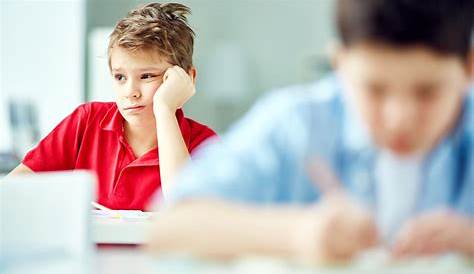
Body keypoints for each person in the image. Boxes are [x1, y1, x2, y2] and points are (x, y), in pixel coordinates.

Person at [146, 0, 474, 263]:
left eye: (427, 92)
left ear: (468, 68)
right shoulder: (297, 124)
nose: (398, 119)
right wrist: (299, 233)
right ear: (340, 64)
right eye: (376, 90)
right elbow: (170, 226)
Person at [7, 3, 217, 210]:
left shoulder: (205, 144)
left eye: (147, 76)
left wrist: (164, 110)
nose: (130, 91)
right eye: (120, 77)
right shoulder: (86, 120)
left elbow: (186, 210)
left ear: (186, 78)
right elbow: (11, 193)